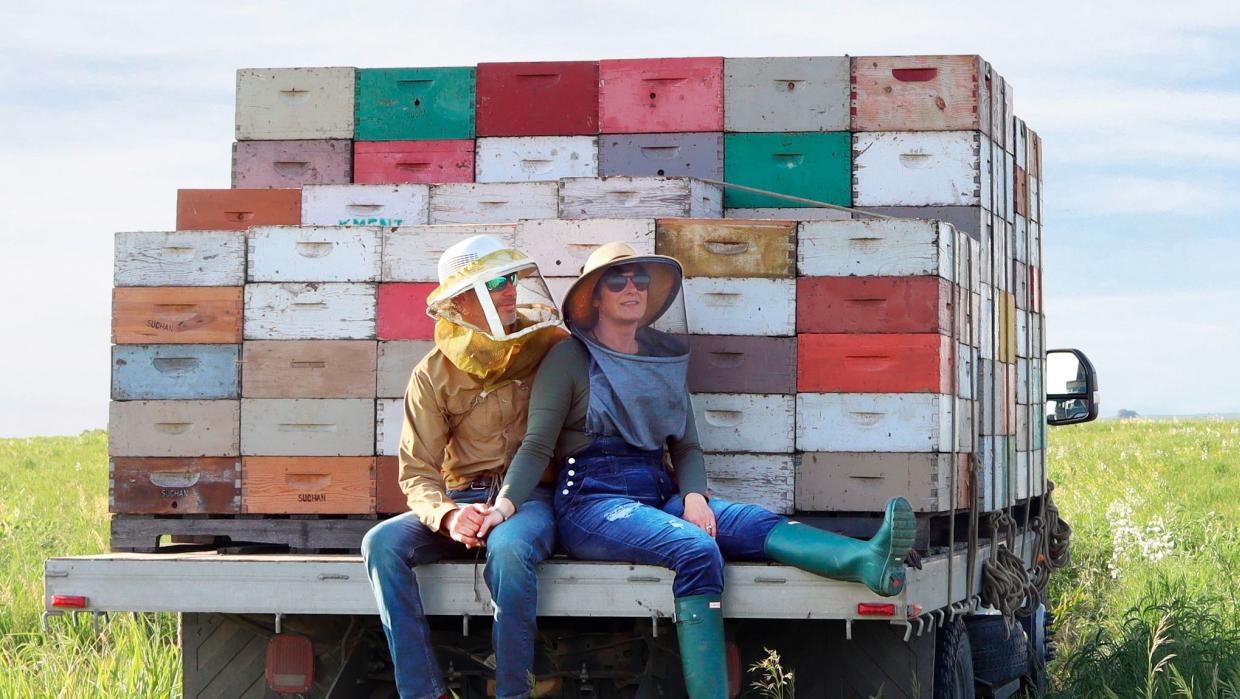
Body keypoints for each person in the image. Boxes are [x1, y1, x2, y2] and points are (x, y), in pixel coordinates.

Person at [479, 242, 917, 698]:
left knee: (750, 522)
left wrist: (693, 497)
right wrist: (506, 504)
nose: (631, 288)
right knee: (695, 549)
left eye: (640, 279)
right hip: (592, 502)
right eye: (617, 280)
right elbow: (536, 445)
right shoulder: (569, 358)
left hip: (656, 489)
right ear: (594, 297)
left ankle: (866, 561)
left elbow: (685, 446)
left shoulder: (661, 358)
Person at [361, 235, 566, 699]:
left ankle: (512, 692)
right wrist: (449, 515)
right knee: (381, 543)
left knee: (510, 549)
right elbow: (417, 471)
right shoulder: (432, 373)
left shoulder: (552, 345)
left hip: (530, 498)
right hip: (464, 501)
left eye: (510, 278)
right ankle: (423, 691)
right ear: (460, 302)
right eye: (495, 283)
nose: (510, 290)